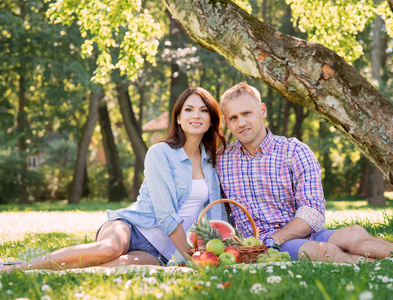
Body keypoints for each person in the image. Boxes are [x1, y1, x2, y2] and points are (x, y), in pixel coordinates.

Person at [2, 87, 227, 272]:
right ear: (178, 118)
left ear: (211, 120)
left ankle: (41, 270)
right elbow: (166, 215)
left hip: (160, 251)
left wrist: (217, 251)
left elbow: (216, 215)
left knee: (103, 269)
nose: (196, 115)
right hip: (132, 227)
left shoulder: (214, 163)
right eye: (189, 109)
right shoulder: (161, 153)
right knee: (106, 250)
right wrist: (194, 258)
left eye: (203, 111)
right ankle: (19, 269)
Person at [217, 82, 393, 264]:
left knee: (353, 233)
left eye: (247, 113)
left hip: (298, 232)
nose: (241, 123)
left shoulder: (295, 151)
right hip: (260, 245)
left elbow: (313, 211)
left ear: (262, 110)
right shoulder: (222, 160)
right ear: (226, 121)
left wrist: (276, 238)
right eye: (234, 118)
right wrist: (266, 242)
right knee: (320, 251)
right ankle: (386, 264)